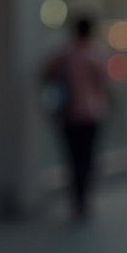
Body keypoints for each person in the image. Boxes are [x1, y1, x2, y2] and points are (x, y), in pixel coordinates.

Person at [41, 15, 110, 222]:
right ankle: (83, 199)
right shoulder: (94, 54)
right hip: (91, 114)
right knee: (87, 158)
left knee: (72, 158)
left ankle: (77, 199)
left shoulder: (65, 55)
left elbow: (46, 75)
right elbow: (103, 85)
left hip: (69, 115)